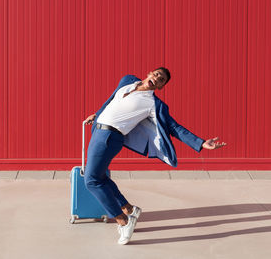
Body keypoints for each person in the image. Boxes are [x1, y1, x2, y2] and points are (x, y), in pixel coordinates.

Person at [83, 67, 226, 245]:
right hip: (98, 131)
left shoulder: (153, 104)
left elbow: (174, 127)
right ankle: (129, 209)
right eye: (157, 74)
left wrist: (201, 143)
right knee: (100, 177)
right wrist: (98, 114)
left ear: (160, 87)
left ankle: (123, 221)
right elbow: (112, 100)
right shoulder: (127, 81)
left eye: (161, 80)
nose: (157, 78)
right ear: (149, 73)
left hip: (110, 137)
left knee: (91, 181)